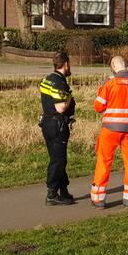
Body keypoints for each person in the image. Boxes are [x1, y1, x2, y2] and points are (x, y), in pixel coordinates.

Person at [90, 55, 128, 209]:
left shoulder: (110, 83)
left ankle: (98, 198)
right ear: (125, 65)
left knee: (104, 160)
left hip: (110, 130)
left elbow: (98, 107)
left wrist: (103, 85)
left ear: (113, 67)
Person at [39, 51, 76, 206]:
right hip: (57, 125)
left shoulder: (47, 79)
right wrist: (69, 97)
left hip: (47, 123)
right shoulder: (59, 83)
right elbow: (61, 107)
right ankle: (52, 193)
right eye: (69, 64)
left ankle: (63, 189)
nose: (70, 67)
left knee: (58, 158)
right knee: (58, 160)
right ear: (65, 64)